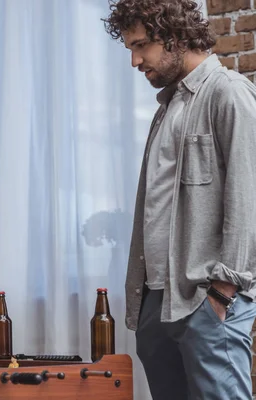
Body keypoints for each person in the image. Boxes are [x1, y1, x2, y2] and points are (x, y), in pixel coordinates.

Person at [103, 1, 256, 399]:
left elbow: (248, 199)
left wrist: (223, 293)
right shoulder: (168, 105)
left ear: (172, 37)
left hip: (207, 297)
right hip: (158, 299)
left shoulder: (228, 94)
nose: (135, 60)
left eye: (140, 46)